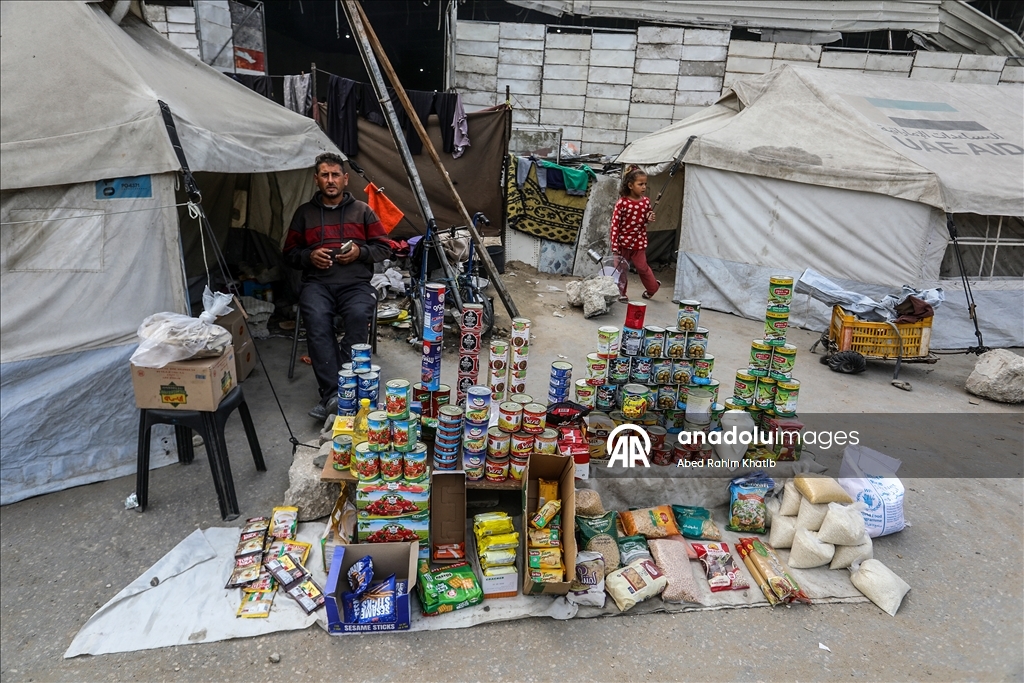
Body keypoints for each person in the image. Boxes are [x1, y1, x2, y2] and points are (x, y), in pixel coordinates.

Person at [283, 152, 391, 420]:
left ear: (345, 179)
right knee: (317, 320)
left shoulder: (363, 211)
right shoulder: (304, 214)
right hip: (318, 284)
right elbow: (289, 254)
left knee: (357, 316)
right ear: (316, 179)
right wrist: (309, 256)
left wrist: (359, 252)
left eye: (335, 175)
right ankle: (334, 393)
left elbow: (384, 248)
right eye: (324, 175)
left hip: (355, 284)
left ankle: (340, 384)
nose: (330, 180)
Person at [609, 166, 660, 303]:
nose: (644, 187)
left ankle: (652, 288)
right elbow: (615, 225)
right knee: (620, 269)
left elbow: (647, 218)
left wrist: (649, 217)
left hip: (639, 243)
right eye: (640, 184)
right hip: (622, 244)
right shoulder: (622, 203)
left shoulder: (646, 202)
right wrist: (615, 245)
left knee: (642, 268)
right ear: (630, 185)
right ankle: (621, 293)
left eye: (645, 184)